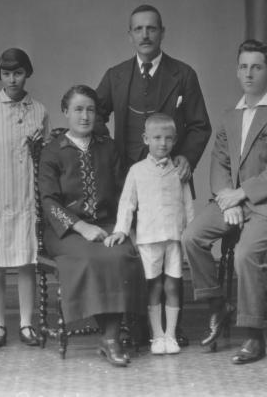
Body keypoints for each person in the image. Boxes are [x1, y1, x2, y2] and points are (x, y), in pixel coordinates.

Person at [96, 4, 212, 346]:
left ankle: (170, 329)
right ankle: (138, 323)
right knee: (136, 251)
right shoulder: (116, 75)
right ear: (129, 34)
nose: (145, 35)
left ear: (162, 32)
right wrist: (108, 155)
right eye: (138, 29)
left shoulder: (183, 74)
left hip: (169, 180)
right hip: (129, 179)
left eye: (151, 28)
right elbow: (94, 114)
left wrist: (187, 158)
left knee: (171, 254)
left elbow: (200, 125)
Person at [183, 39, 267, 364]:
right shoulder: (229, 116)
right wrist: (226, 201)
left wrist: (241, 194)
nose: (249, 73)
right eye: (243, 66)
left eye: (256, 67)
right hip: (231, 201)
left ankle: (253, 336)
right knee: (191, 237)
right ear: (237, 70)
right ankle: (218, 305)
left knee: (245, 253)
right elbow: (219, 164)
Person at [38, 85, 147, 367]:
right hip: (65, 232)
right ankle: (111, 338)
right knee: (90, 256)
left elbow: (125, 191)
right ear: (65, 112)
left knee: (123, 254)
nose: (85, 116)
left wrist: (122, 228)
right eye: (78, 109)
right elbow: (49, 202)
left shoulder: (108, 148)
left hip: (107, 224)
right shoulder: (52, 152)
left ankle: (109, 336)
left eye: (90, 109)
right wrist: (81, 227)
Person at [0, 48, 50, 347]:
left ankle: (25, 324)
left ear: (27, 73)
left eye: (18, 73)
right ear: (0, 76)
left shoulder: (39, 111)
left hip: (27, 200)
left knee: (26, 262)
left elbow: (46, 160)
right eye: (6, 74)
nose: (12, 79)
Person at [107, 113, 195, 355]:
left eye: (168, 138)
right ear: (146, 139)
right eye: (156, 138)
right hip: (148, 238)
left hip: (174, 238)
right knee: (154, 286)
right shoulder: (136, 171)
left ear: (175, 140)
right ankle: (157, 335)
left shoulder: (179, 171)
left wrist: (191, 233)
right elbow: (127, 203)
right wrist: (121, 230)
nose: (162, 143)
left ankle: (171, 334)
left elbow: (188, 204)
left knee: (173, 286)